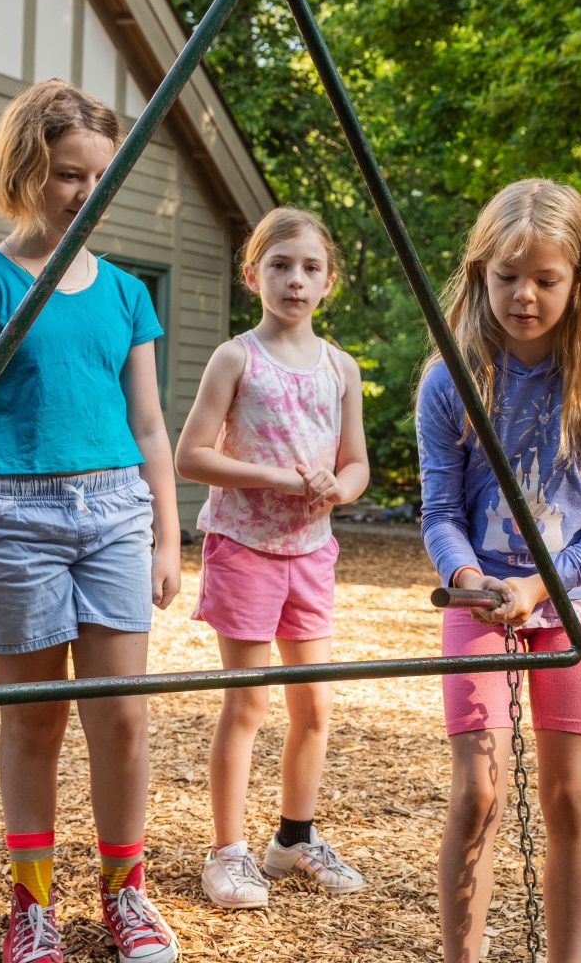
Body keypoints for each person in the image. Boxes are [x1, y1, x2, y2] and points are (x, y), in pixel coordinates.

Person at [0, 79, 182, 963]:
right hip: (14, 520)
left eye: (101, 177)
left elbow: (149, 423)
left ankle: (127, 894)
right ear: (29, 170)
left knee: (121, 716)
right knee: (35, 718)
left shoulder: (125, 294)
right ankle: (30, 908)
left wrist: (166, 533)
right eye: (71, 175)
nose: (87, 194)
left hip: (116, 510)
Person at [417, 178, 581, 963]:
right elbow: (439, 510)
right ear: (480, 272)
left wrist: (540, 586)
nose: (525, 295)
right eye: (508, 276)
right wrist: (468, 577)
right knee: (480, 790)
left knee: (569, 796)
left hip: (577, 604)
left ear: (577, 280)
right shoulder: (451, 377)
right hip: (479, 599)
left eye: (546, 279)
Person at [174, 206, 371, 909]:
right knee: (248, 703)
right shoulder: (237, 357)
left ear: (329, 283)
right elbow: (190, 455)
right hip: (245, 549)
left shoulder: (340, 367)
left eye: (310, 268)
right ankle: (227, 851)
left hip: (311, 554)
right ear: (252, 274)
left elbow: (355, 466)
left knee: (314, 708)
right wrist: (281, 479)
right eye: (281, 266)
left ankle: (293, 838)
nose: (295, 280)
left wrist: (335, 489)